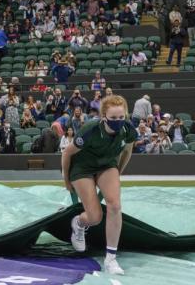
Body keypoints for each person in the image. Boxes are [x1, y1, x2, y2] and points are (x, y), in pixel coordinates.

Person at [61, 95, 136, 276]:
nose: (118, 121)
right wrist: (66, 180)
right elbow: (67, 154)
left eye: (121, 118)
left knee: (115, 205)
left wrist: (117, 172)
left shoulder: (128, 130)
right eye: (113, 118)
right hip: (82, 167)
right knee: (95, 217)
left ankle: (110, 259)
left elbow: (127, 151)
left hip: (106, 165)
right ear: (104, 116)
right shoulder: (90, 130)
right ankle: (78, 223)